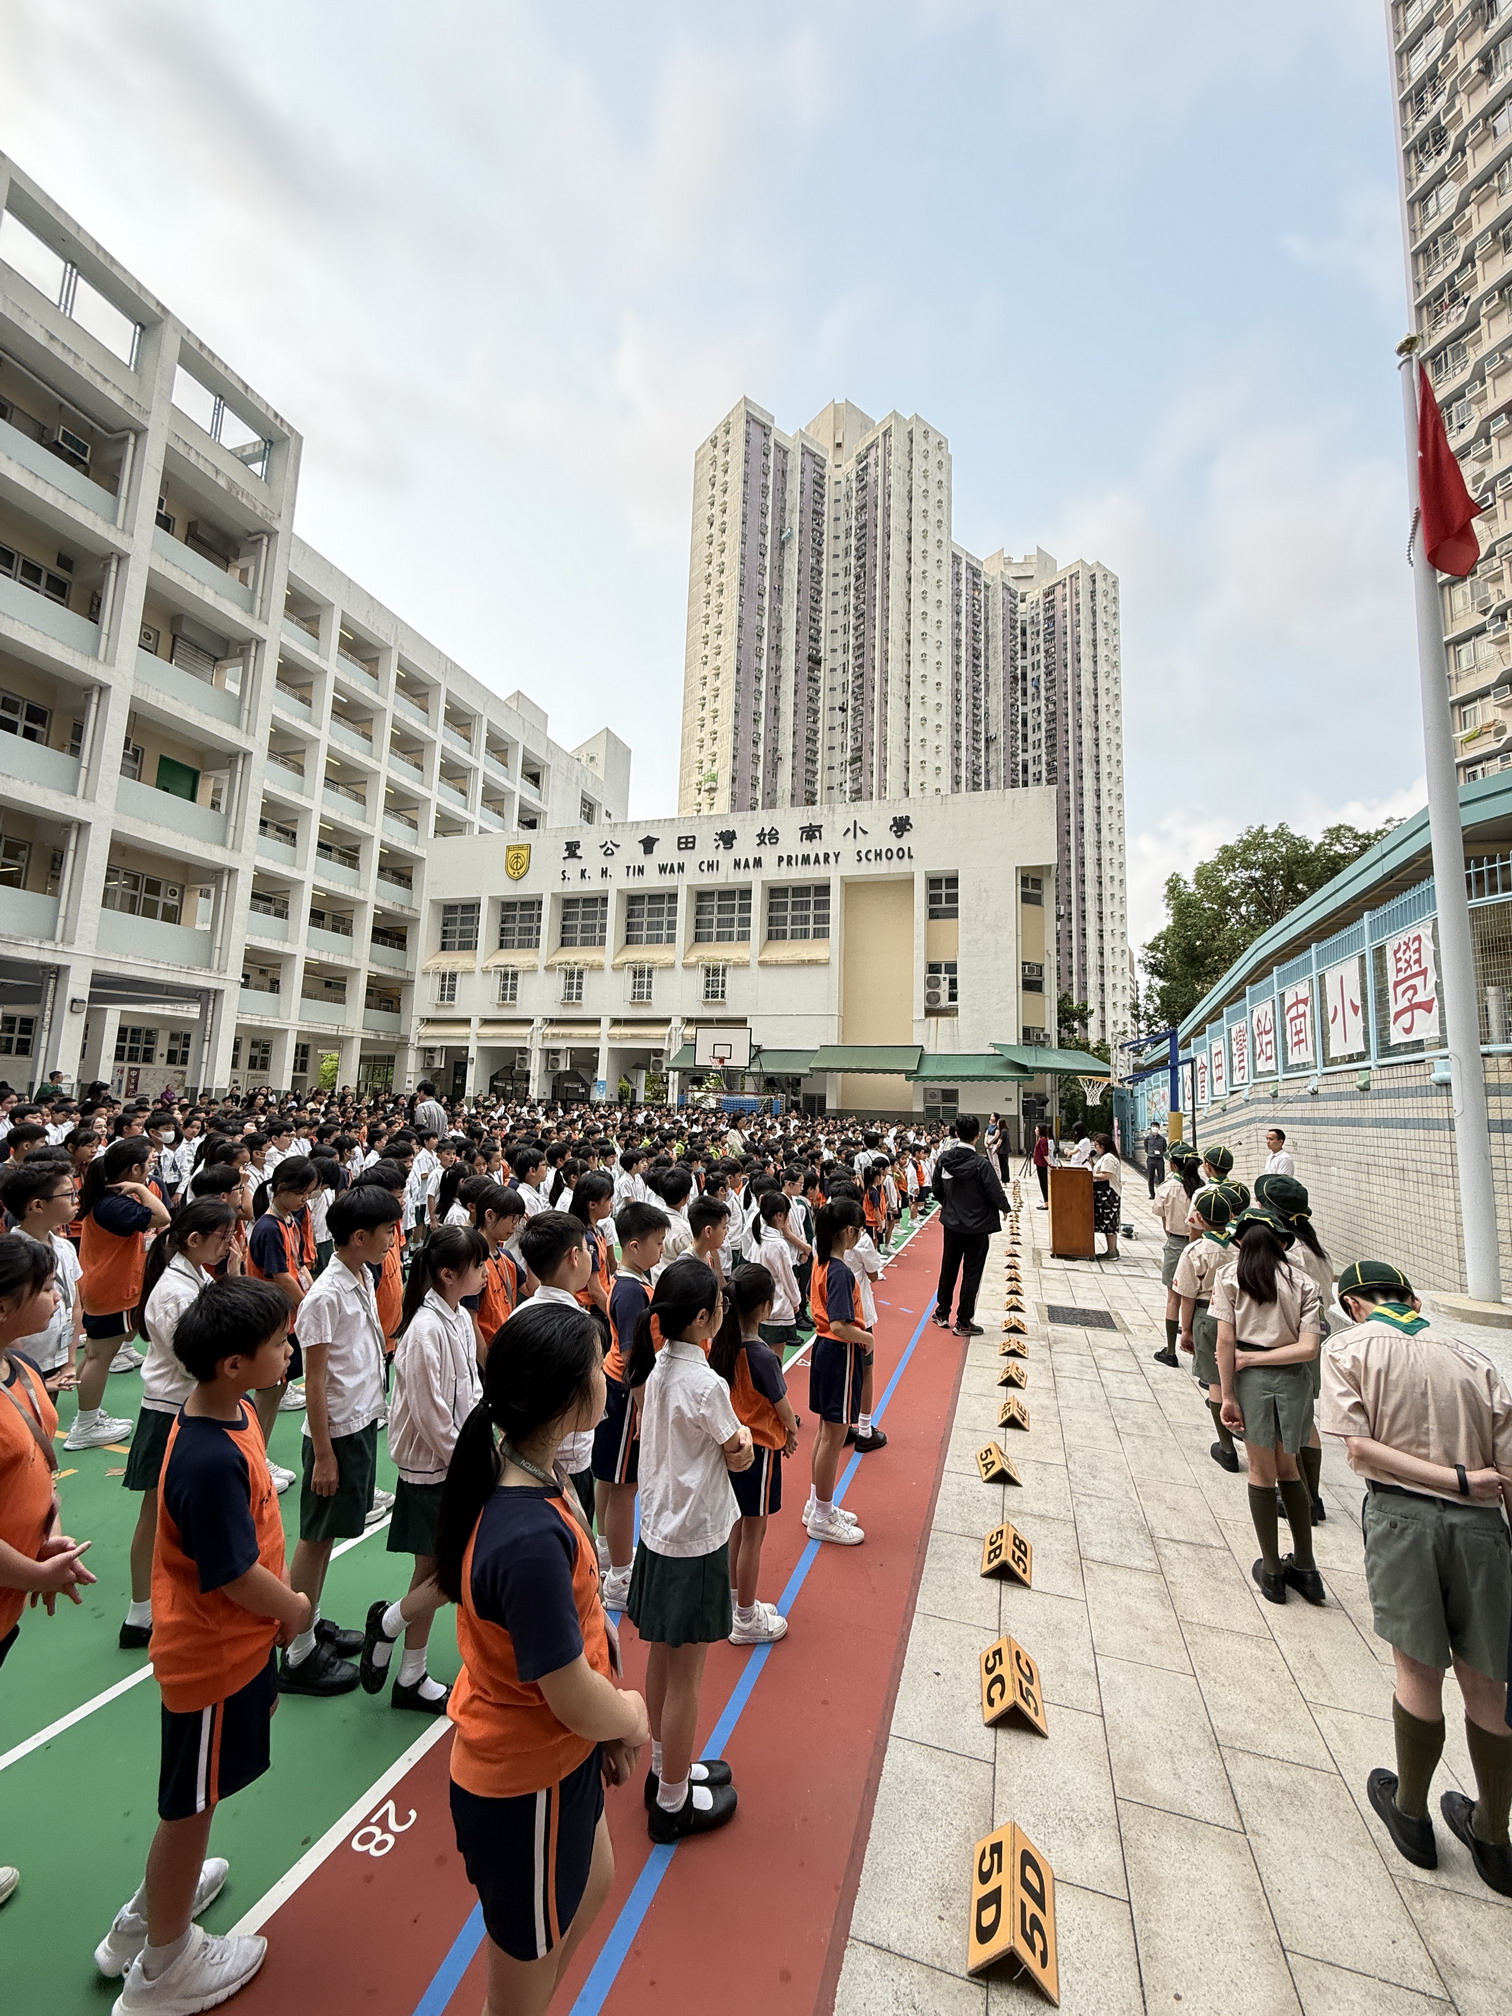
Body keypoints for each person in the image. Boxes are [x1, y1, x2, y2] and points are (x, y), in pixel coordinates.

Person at [93, 1277, 306, 2012]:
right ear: (233, 1364)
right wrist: (294, 1609)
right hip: (212, 1656)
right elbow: (234, 1574)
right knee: (188, 1806)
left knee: (197, 1797)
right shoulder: (207, 1459)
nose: (289, 1349)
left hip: (240, 1646)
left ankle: (152, 1912)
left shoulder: (231, 1410)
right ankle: (163, 1967)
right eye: (278, 1342)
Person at [435, 1297, 647, 2010]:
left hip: (561, 1758)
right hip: (525, 1785)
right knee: (518, 1991)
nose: (609, 1374)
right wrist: (627, 1717)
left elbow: (576, 1634)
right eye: (597, 1366)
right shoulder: (526, 1536)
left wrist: (599, 1733)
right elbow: (568, 1691)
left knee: (594, 1881)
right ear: (566, 1398)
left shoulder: (534, 1473)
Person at [1320, 1259, 1512, 1896]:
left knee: (1418, 1670)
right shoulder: (1474, 1358)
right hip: (1483, 1532)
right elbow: (1508, 1470)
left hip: (1402, 1520)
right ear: (1413, 1299)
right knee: (1487, 1683)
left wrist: (1450, 1479)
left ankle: (1411, 1813)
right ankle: (1493, 1836)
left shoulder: (1348, 1348)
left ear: (1353, 1305)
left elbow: (1357, 1447)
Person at [624, 1258, 748, 1841]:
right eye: (719, 1304)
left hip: (658, 1532)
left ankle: (662, 1769)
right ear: (702, 1318)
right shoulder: (706, 1384)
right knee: (687, 1680)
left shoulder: (658, 1370)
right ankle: (673, 1803)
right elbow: (737, 1451)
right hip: (694, 1541)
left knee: (662, 1658)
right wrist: (744, 1444)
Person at [0, 1234, 96, 1908]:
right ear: (5, 1305)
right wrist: (36, 1576)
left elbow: (36, 1469)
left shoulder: (21, 1370)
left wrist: (48, 1534)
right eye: (44, 1289)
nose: (58, 1297)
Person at [277, 1177, 400, 1696]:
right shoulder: (325, 1296)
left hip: (358, 1422)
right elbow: (316, 1380)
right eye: (387, 1230)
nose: (393, 1239)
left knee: (327, 1535)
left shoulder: (361, 1275)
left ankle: (311, 1619)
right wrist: (324, 1454)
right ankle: (297, 1651)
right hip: (337, 1433)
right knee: (315, 1536)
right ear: (358, 1236)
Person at [361, 1217, 486, 1715]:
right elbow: (432, 1416)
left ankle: (410, 1673)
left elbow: (469, 1393)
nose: (485, 1272)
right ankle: (389, 1624)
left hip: (455, 1462)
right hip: (434, 1470)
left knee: (432, 1571)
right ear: (449, 1274)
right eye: (478, 1265)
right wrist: (470, 1462)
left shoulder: (458, 1318)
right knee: (450, 1573)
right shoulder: (423, 1331)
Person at [119, 1200, 241, 1652]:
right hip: (168, 1410)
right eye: (223, 1237)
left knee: (180, 1515)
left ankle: (174, 1600)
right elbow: (190, 1360)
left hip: (190, 1406)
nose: (230, 1245)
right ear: (194, 1239)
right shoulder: (174, 1292)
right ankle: (139, 1612)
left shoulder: (196, 1277)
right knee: (155, 1514)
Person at [1213, 1207, 1325, 1607]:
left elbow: (1225, 1342)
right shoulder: (1305, 1283)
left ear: (1241, 1241)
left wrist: (1229, 1393)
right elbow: (1309, 1348)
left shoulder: (1230, 1277)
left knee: (1261, 1472)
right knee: (1289, 1468)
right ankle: (1307, 1568)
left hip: (1252, 1381)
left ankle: (1273, 1572)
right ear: (1281, 1243)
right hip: (1294, 1380)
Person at [711, 1263, 798, 1647]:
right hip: (760, 1452)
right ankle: (746, 1617)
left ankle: (734, 1601)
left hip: (734, 1448)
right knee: (754, 1533)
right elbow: (783, 1408)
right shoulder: (762, 1356)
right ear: (765, 1307)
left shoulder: (723, 1347)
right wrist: (791, 1433)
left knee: (737, 1527)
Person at [71, 1136, 172, 1450]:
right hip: (111, 1287)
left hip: (102, 1284)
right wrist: (142, 1190)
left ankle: (87, 1414)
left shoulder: (106, 1197)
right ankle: (85, 1425)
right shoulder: (116, 1204)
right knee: (100, 1357)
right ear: (135, 1169)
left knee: (94, 1354)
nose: (151, 1168)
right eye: (147, 1164)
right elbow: (163, 1217)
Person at [593, 1200, 669, 1611]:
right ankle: (620, 1579)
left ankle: (609, 1553)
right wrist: (645, 1410)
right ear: (634, 1246)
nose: (662, 1249)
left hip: (621, 1390)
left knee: (611, 1480)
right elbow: (632, 1358)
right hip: (627, 1395)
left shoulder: (632, 1282)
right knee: (624, 1488)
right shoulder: (629, 1292)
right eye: (657, 1243)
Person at [517, 1210, 599, 1521]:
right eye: (588, 1249)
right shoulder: (580, 1328)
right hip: (567, 1460)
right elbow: (588, 1410)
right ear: (574, 1256)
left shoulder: (518, 1316)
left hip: (525, 1454)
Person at [805, 1198, 871, 1547]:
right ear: (848, 1231)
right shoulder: (841, 1272)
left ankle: (817, 1503)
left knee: (825, 1431)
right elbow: (840, 1325)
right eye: (858, 1230)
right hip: (839, 1351)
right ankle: (822, 1515)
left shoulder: (821, 1262)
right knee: (835, 1435)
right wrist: (867, 1338)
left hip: (823, 1350)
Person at [0, 1157, 83, 1395]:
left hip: (57, 1358)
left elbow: (76, 1305)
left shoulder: (65, 1248)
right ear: (37, 1206)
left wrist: (69, 1361)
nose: (76, 1200)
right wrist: (26, 1378)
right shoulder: (13, 1258)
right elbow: (9, 1323)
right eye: (68, 1195)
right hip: (18, 1369)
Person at [1171, 1187, 1237, 1469]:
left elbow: (1187, 1295)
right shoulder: (1240, 1247)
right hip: (1238, 1317)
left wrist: (1185, 1330)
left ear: (1198, 1218)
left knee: (1215, 1381)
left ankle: (1227, 1448)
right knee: (1237, 1376)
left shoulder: (1195, 1250)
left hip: (1206, 1315)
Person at [930, 1115, 1009, 1336]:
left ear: (956, 1134)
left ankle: (942, 1313)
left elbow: (936, 1188)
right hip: (977, 1227)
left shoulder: (944, 1159)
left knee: (948, 1267)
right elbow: (994, 1192)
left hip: (952, 1223)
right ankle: (963, 1321)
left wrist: (949, 1206)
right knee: (972, 1273)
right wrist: (1005, 1208)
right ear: (977, 1135)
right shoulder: (982, 1164)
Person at [1090, 1132, 1123, 1261]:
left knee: (1109, 1223)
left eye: (1096, 1145)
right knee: (1107, 1223)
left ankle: (1111, 1251)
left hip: (1109, 1194)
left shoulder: (1109, 1157)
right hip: (1104, 1193)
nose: (1095, 1148)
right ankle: (1112, 1249)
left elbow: (1106, 1175)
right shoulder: (1105, 1157)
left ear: (1103, 1145)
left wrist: (1091, 1175)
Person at [1031, 1124, 1054, 1209]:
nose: (1035, 1130)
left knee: (1044, 1183)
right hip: (1039, 1163)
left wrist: (1050, 1163)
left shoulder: (1043, 1140)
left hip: (1042, 1164)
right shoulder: (1041, 1139)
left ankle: (1046, 1203)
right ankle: (1046, 1201)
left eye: (1036, 1129)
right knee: (1042, 1183)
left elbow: (1045, 1154)